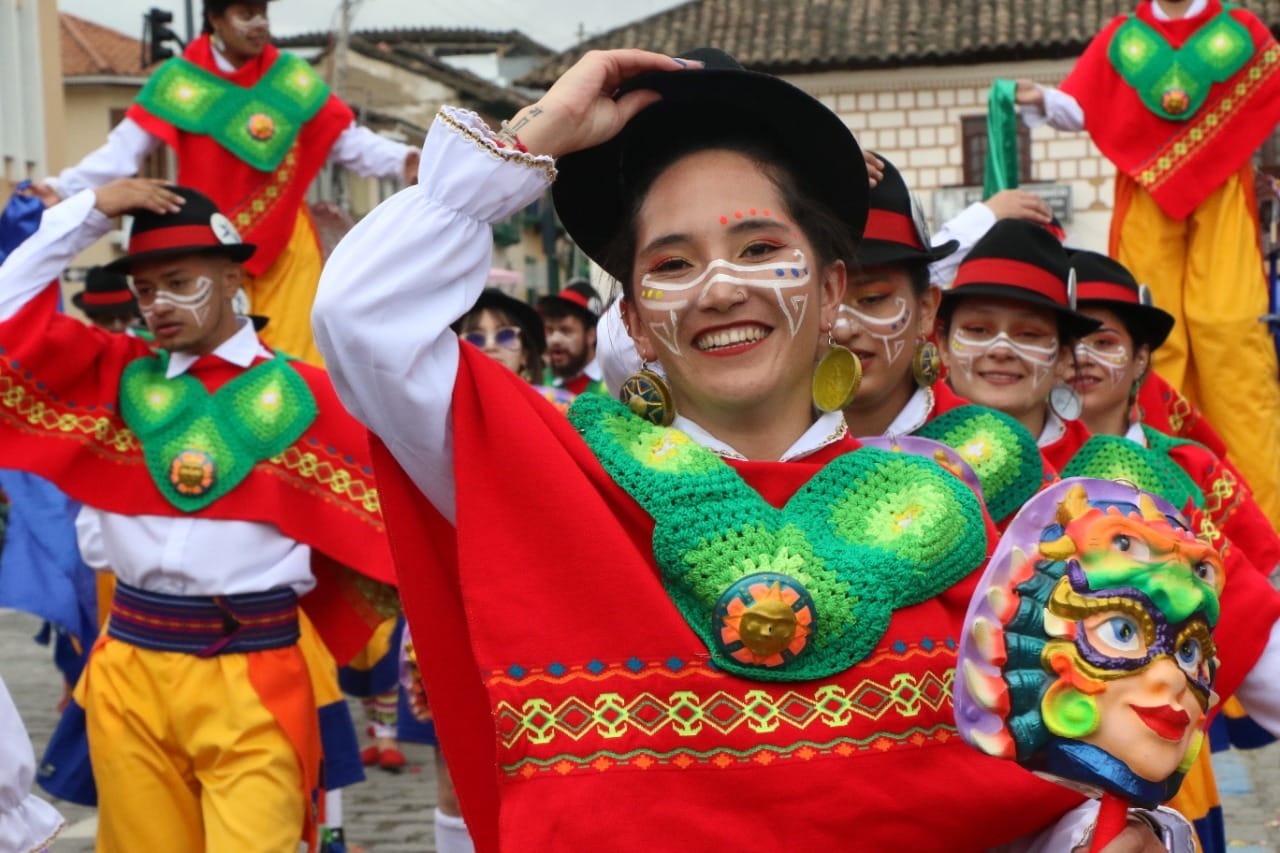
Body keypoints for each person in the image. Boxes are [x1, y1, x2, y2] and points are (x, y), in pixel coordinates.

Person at [310, 44, 1235, 848]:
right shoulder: (557, 474)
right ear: (632, 315)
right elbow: (360, 322)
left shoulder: (979, 500)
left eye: (760, 249)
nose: (719, 288)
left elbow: (1041, 790)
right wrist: (535, 134)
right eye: (671, 265)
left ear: (836, 291)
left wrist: (1118, 831)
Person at [0, 178, 396, 851]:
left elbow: (401, 522)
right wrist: (89, 212)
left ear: (233, 275)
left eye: (177, 281)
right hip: (128, 668)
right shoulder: (114, 379)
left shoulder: (314, 399)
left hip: (254, 668)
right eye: (145, 289)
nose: (157, 304)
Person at [1014, 0, 1280, 529]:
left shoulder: (1238, 31)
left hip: (1226, 185)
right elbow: (1083, 104)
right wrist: (1042, 99)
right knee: (1157, 341)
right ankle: (1159, 506)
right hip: (1147, 188)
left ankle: (1264, 522)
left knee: (1228, 330)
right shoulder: (1124, 39)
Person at [38, 0, 418, 367]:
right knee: (215, 359)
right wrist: (66, 189)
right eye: (246, 13)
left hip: (286, 248)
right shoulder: (180, 81)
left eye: (263, 13)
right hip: (205, 248)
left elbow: (349, 142)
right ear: (215, 18)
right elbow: (122, 151)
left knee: (298, 362)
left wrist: (405, 161)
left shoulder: (293, 79)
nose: (259, 25)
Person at [936, 218, 1101, 472]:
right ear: (943, 345)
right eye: (978, 330)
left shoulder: (1107, 473)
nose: (1001, 350)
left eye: (1029, 334)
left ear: (1064, 359)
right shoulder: (901, 458)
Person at [537, 279, 606, 394]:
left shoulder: (615, 384)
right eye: (550, 330)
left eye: (566, 330)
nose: (555, 340)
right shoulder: (538, 383)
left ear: (591, 335)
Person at [71, 266, 141, 334]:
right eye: (107, 320)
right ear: (93, 318)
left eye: (124, 318)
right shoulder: (80, 343)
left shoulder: (144, 340)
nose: (117, 327)